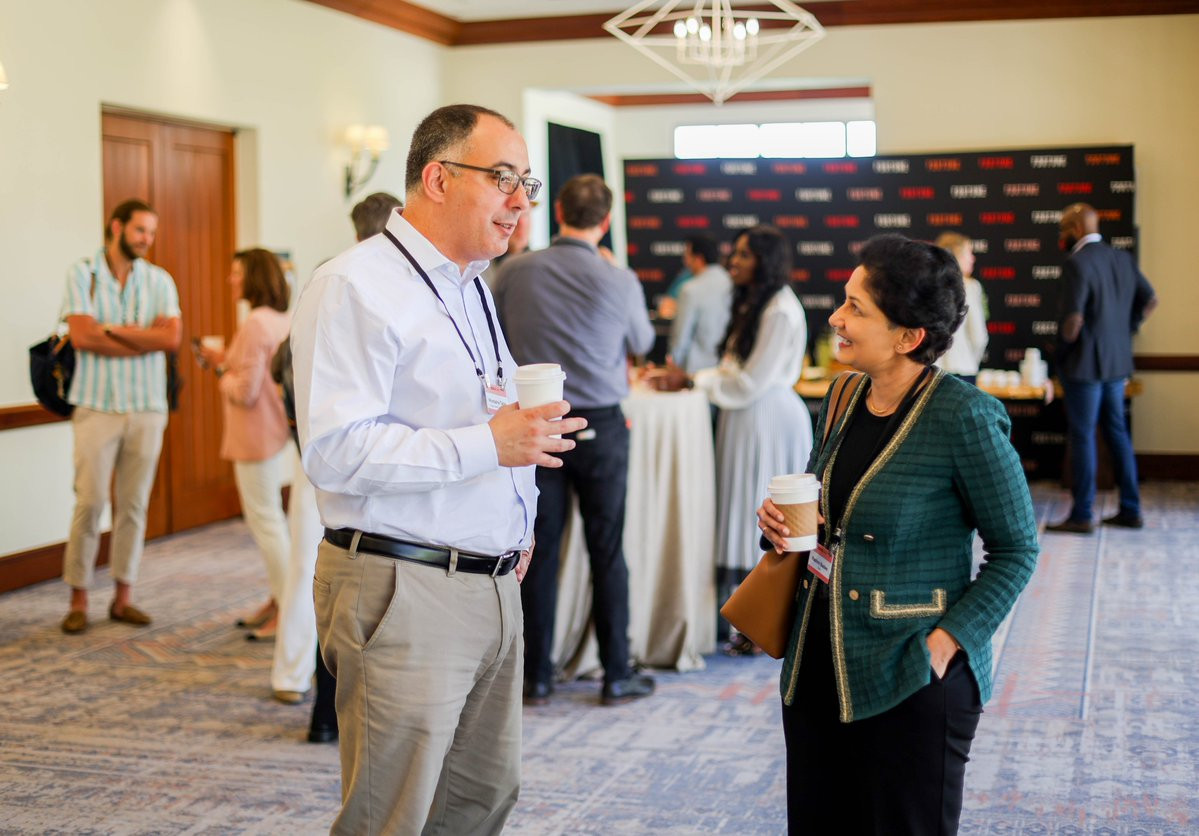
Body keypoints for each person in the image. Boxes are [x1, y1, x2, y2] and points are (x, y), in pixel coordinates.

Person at [291, 104, 585, 835]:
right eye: (503, 179)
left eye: (527, 183)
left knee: (479, 802)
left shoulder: (471, 283)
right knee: (392, 815)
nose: (520, 202)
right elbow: (335, 451)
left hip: (491, 581)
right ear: (438, 178)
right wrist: (491, 446)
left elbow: (484, 414)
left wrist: (517, 523)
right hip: (404, 582)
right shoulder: (354, 284)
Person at [756, 233, 1039, 835]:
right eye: (844, 300)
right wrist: (780, 527)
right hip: (817, 665)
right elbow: (827, 515)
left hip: (911, 676)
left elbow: (1017, 551)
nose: (836, 317)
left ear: (908, 337)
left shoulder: (964, 416)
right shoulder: (842, 396)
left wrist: (946, 643)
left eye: (856, 308)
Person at [494, 173, 657, 707]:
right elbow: (642, 341)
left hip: (538, 424)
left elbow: (494, 338)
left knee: (538, 549)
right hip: (601, 427)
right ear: (605, 222)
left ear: (558, 211)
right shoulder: (619, 279)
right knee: (607, 550)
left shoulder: (515, 271)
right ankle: (616, 674)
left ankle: (535, 676)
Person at [647, 226, 813, 655]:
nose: (733, 262)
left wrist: (693, 380)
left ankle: (767, 624)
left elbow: (750, 382)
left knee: (761, 517)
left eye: (743, 255)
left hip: (766, 419)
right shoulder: (756, 303)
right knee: (742, 513)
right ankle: (749, 621)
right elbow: (733, 372)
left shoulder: (779, 309)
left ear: (764, 261)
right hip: (745, 417)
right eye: (734, 253)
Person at [297, 190, 403, 743]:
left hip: (350, 471)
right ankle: (328, 715)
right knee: (341, 596)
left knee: (336, 598)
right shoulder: (338, 281)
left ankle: (325, 716)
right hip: (343, 468)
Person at [199, 249, 321, 709]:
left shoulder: (254, 324)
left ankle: (284, 605)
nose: (230, 280)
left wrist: (219, 369)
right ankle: (278, 601)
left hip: (253, 436)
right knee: (276, 523)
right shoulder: (282, 319)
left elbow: (246, 389)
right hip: (278, 436)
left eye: (236, 273)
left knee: (266, 524)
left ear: (252, 277)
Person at [59, 199, 182, 634]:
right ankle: (78, 599)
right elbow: (81, 336)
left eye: (151, 232)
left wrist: (109, 330)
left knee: (134, 504)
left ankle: (123, 597)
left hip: (148, 407)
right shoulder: (83, 274)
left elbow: (171, 339)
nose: (147, 239)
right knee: (90, 503)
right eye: (140, 230)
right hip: (95, 406)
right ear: (117, 227)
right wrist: (140, 336)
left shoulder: (159, 280)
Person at [1046, 203, 1157, 534]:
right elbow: (1151, 300)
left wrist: (1059, 354)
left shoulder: (1077, 262)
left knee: (1082, 436)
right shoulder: (1122, 259)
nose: (1061, 235)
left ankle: (1082, 515)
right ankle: (1131, 509)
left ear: (1077, 229)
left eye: (1064, 229)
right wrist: (1127, 329)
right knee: (1117, 433)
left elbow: (1073, 321)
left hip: (1083, 365)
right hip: (1117, 363)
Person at [669, 233, 732, 375]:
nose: (685, 261)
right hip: (727, 370)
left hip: (695, 372)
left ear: (698, 258)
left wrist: (673, 366)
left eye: (687, 255)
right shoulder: (732, 283)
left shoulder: (690, 289)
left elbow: (680, 337)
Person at [933, 232, 988, 383]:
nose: (973, 258)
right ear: (957, 256)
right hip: (963, 369)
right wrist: (970, 361)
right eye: (969, 253)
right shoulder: (970, 286)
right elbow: (978, 336)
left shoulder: (927, 285)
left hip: (931, 370)